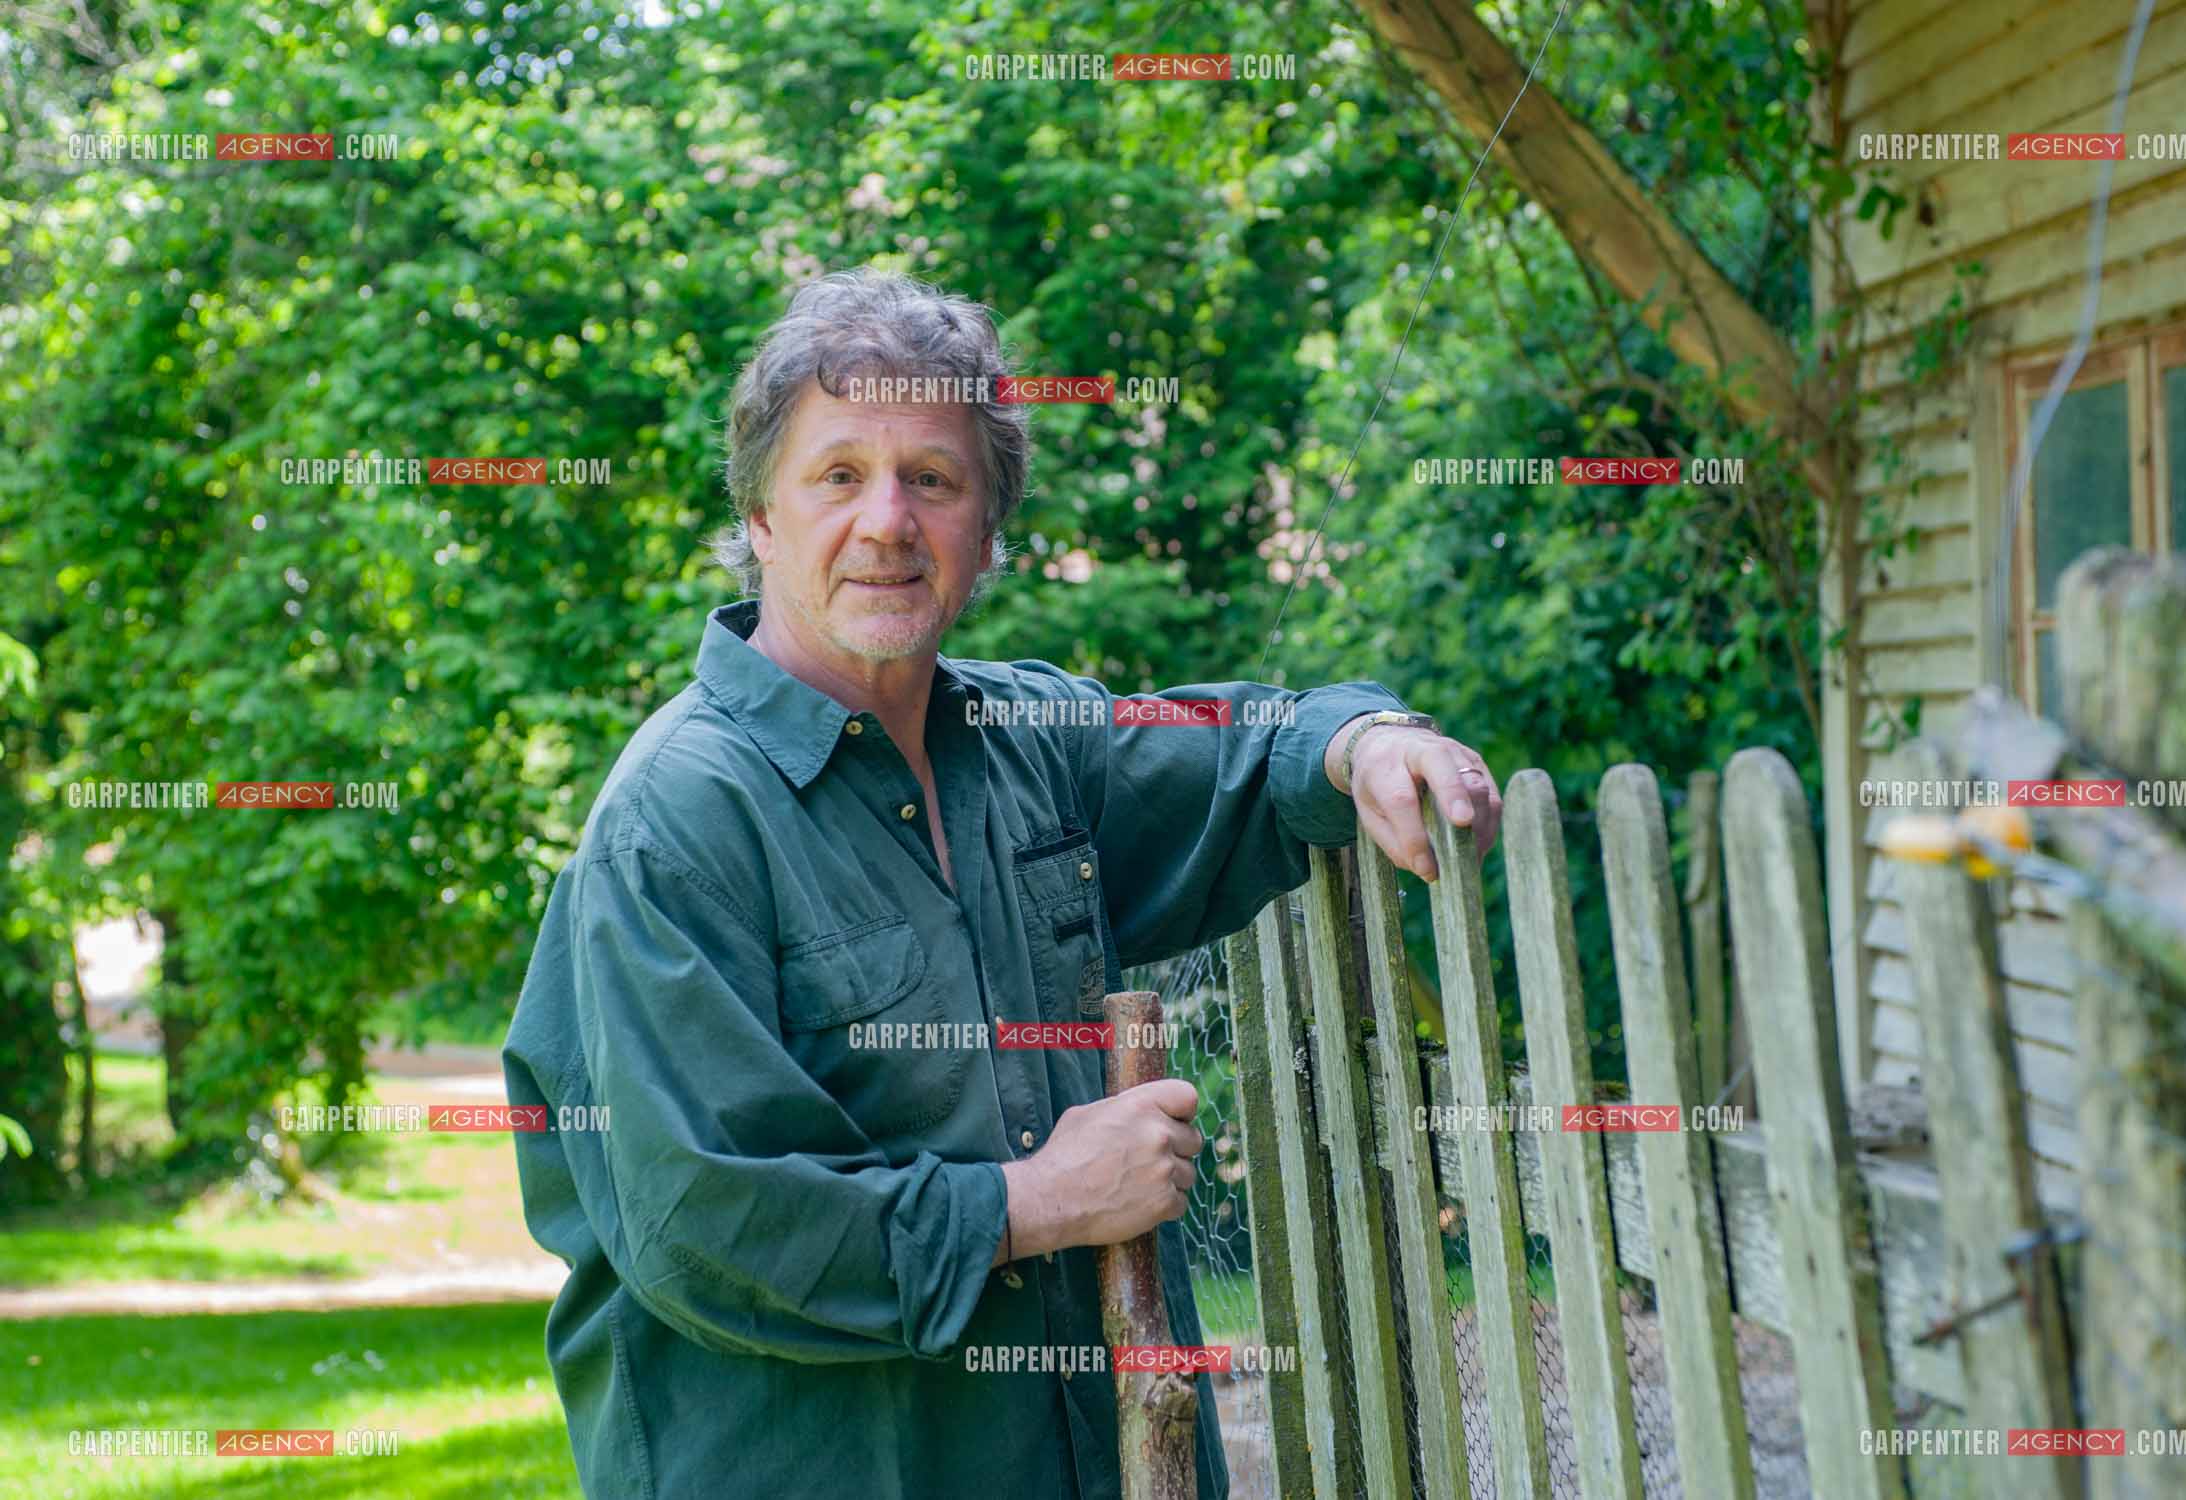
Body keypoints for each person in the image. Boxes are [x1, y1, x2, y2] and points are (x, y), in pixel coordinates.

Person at [504, 267, 1503, 1499]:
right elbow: (705, 1227)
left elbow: (1248, 747)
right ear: (760, 518)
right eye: (837, 477)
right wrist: (1034, 1203)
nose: (885, 522)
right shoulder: (676, 823)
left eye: (931, 479)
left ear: (986, 531)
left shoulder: (1033, 741)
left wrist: (1368, 742)